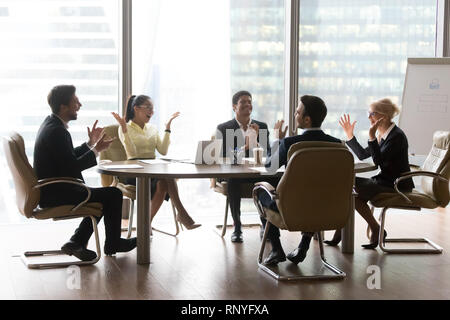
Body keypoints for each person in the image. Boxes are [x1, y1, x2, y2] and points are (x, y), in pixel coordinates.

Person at [33, 85, 137, 261]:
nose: (79, 105)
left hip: (53, 189)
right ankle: (111, 243)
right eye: (75, 101)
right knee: (112, 194)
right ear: (63, 106)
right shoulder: (57, 131)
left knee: (103, 196)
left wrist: (90, 144)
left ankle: (77, 242)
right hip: (57, 192)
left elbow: (65, 158)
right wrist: (96, 151)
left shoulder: (51, 125)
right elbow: (72, 167)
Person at [256, 95, 342, 265]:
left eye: (297, 112)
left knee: (260, 191)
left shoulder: (290, 143)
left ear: (307, 119)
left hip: (292, 208)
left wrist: (278, 140)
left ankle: (276, 249)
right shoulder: (338, 144)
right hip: (328, 207)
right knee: (315, 197)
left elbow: (269, 167)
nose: (295, 115)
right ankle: (303, 246)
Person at [324, 98, 414, 249]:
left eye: (372, 113)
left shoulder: (396, 136)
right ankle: (373, 229)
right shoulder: (383, 134)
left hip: (396, 184)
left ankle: (371, 229)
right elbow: (363, 155)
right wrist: (350, 135)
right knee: (348, 186)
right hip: (384, 181)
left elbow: (377, 160)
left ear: (383, 116)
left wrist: (372, 136)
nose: (368, 117)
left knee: (350, 189)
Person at [112, 95, 200, 230]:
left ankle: (146, 224)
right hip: (134, 171)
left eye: (153, 109)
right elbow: (132, 154)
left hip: (153, 171)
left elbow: (163, 150)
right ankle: (181, 214)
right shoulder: (125, 127)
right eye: (148, 108)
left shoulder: (152, 128)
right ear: (136, 108)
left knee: (164, 182)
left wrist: (167, 128)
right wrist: (124, 129)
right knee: (166, 177)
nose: (151, 112)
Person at [215, 90, 275, 243]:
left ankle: (266, 225)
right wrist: (245, 147)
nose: (248, 104)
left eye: (250, 101)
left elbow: (267, 153)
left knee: (270, 180)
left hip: (255, 172)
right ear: (234, 106)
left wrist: (259, 140)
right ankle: (237, 227)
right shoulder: (224, 128)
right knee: (234, 180)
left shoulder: (261, 126)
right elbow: (222, 156)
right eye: (243, 102)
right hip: (233, 172)